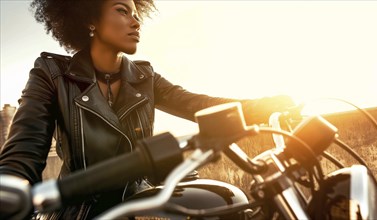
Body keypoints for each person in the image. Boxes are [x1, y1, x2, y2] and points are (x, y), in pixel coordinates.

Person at [0, 0, 294, 218]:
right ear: (90, 19)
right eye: (122, 10)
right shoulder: (51, 73)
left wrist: (264, 106)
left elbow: (195, 104)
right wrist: (10, 187)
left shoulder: (145, 76)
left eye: (137, 14)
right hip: (81, 212)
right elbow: (25, 147)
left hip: (144, 206)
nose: (136, 21)